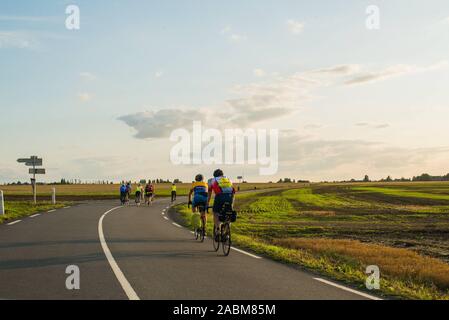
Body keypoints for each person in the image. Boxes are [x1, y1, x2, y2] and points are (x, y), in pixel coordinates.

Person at [207, 169, 236, 239]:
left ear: (214, 175)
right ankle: (226, 231)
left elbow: (209, 193)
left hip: (220, 196)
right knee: (229, 213)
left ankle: (217, 230)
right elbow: (233, 191)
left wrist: (207, 203)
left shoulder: (211, 180)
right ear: (222, 174)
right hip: (230, 196)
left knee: (215, 212)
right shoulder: (228, 179)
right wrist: (231, 205)